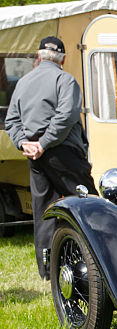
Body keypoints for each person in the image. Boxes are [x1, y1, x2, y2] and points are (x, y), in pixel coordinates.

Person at [4, 36, 97, 280]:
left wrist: (26, 144)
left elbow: (11, 121)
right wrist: (44, 144)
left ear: (39, 57)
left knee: (44, 211)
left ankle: (48, 272)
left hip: (35, 156)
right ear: (63, 58)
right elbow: (66, 116)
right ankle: (98, 263)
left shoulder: (23, 82)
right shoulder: (65, 79)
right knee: (89, 205)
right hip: (62, 152)